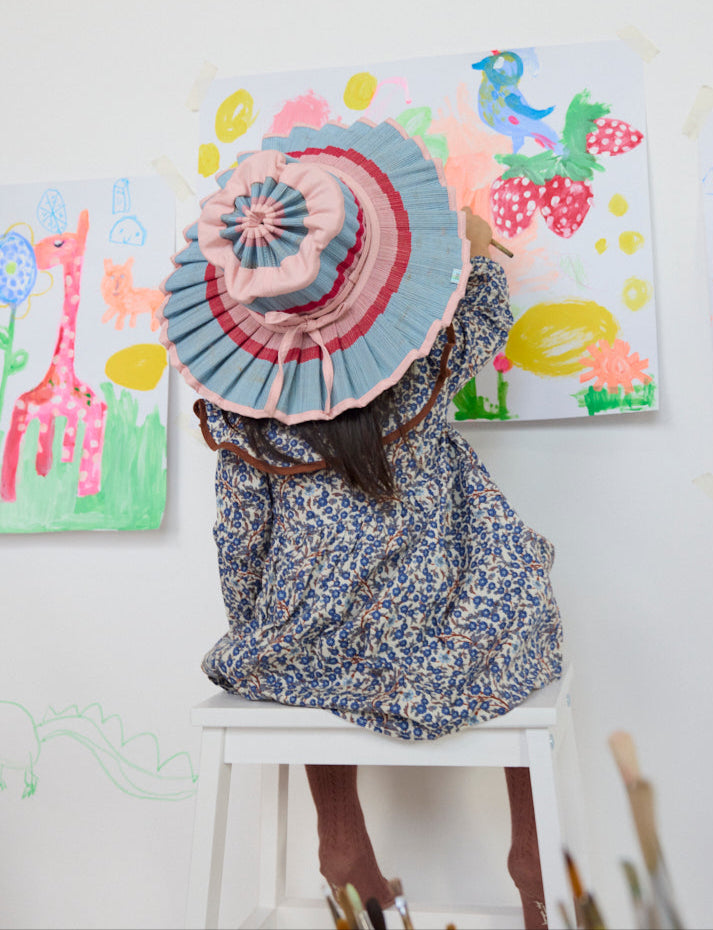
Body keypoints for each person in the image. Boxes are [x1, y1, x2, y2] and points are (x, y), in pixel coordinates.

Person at [160, 118, 563, 928]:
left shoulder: (239, 410)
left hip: (313, 645)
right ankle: (530, 855)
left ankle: (340, 839)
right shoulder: (424, 365)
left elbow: (238, 543)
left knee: (282, 627)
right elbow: (487, 312)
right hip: (445, 635)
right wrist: (476, 246)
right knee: (518, 595)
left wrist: (261, 630)